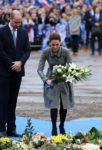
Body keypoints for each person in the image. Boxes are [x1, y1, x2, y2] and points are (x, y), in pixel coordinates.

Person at [0, 10, 30, 137]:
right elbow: (0, 51)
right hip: (4, 72)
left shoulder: (23, 32)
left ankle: (12, 129)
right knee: (3, 101)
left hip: (18, 72)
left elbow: (27, 50)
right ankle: (2, 129)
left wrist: (20, 63)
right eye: (16, 22)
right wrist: (12, 63)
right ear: (9, 19)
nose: (18, 24)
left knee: (13, 102)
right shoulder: (1, 32)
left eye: (20, 22)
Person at [37, 32, 74, 136]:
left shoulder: (66, 52)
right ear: (49, 44)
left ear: (60, 43)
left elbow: (71, 66)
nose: (55, 47)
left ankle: (61, 125)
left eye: (57, 44)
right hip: (51, 79)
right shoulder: (45, 52)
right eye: (53, 44)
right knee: (53, 105)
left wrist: (66, 75)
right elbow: (39, 69)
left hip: (64, 78)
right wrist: (46, 80)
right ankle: (53, 127)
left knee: (64, 104)